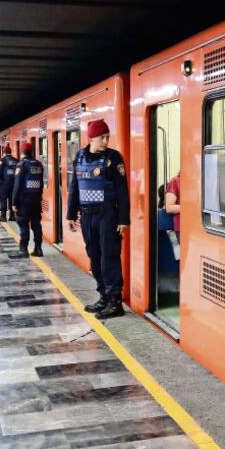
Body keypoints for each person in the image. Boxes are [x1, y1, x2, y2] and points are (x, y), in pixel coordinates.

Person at [66, 119, 130, 319]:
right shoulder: (80, 157)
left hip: (107, 215)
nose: (106, 140)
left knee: (109, 257)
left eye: (107, 137)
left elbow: (122, 192)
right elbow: (74, 187)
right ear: (91, 137)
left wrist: (123, 219)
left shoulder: (114, 158)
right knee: (94, 256)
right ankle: (103, 295)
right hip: (87, 216)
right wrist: (70, 214)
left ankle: (115, 302)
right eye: (102, 137)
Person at [9, 141, 44, 259]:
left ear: (22, 152)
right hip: (36, 199)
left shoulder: (21, 165)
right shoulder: (38, 164)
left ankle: (23, 250)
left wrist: (14, 202)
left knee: (23, 224)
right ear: (32, 151)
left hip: (24, 201)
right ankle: (38, 248)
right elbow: (41, 184)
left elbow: (17, 185)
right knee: (36, 224)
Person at [0, 145, 18, 222]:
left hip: (4, 183)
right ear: (10, 152)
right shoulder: (16, 160)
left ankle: (3, 216)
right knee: (11, 198)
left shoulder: (2, 160)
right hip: (14, 183)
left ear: (4, 152)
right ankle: (12, 216)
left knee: (3, 198)